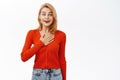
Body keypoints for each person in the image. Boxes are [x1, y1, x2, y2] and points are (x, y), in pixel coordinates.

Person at [21, 3, 66, 80]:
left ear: (53, 17)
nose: (47, 17)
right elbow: (24, 57)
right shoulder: (32, 33)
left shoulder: (61, 35)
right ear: (39, 17)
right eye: (44, 14)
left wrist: (64, 79)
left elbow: (62, 59)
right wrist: (41, 42)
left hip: (56, 75)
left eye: (50, 14)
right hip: (38, 75)